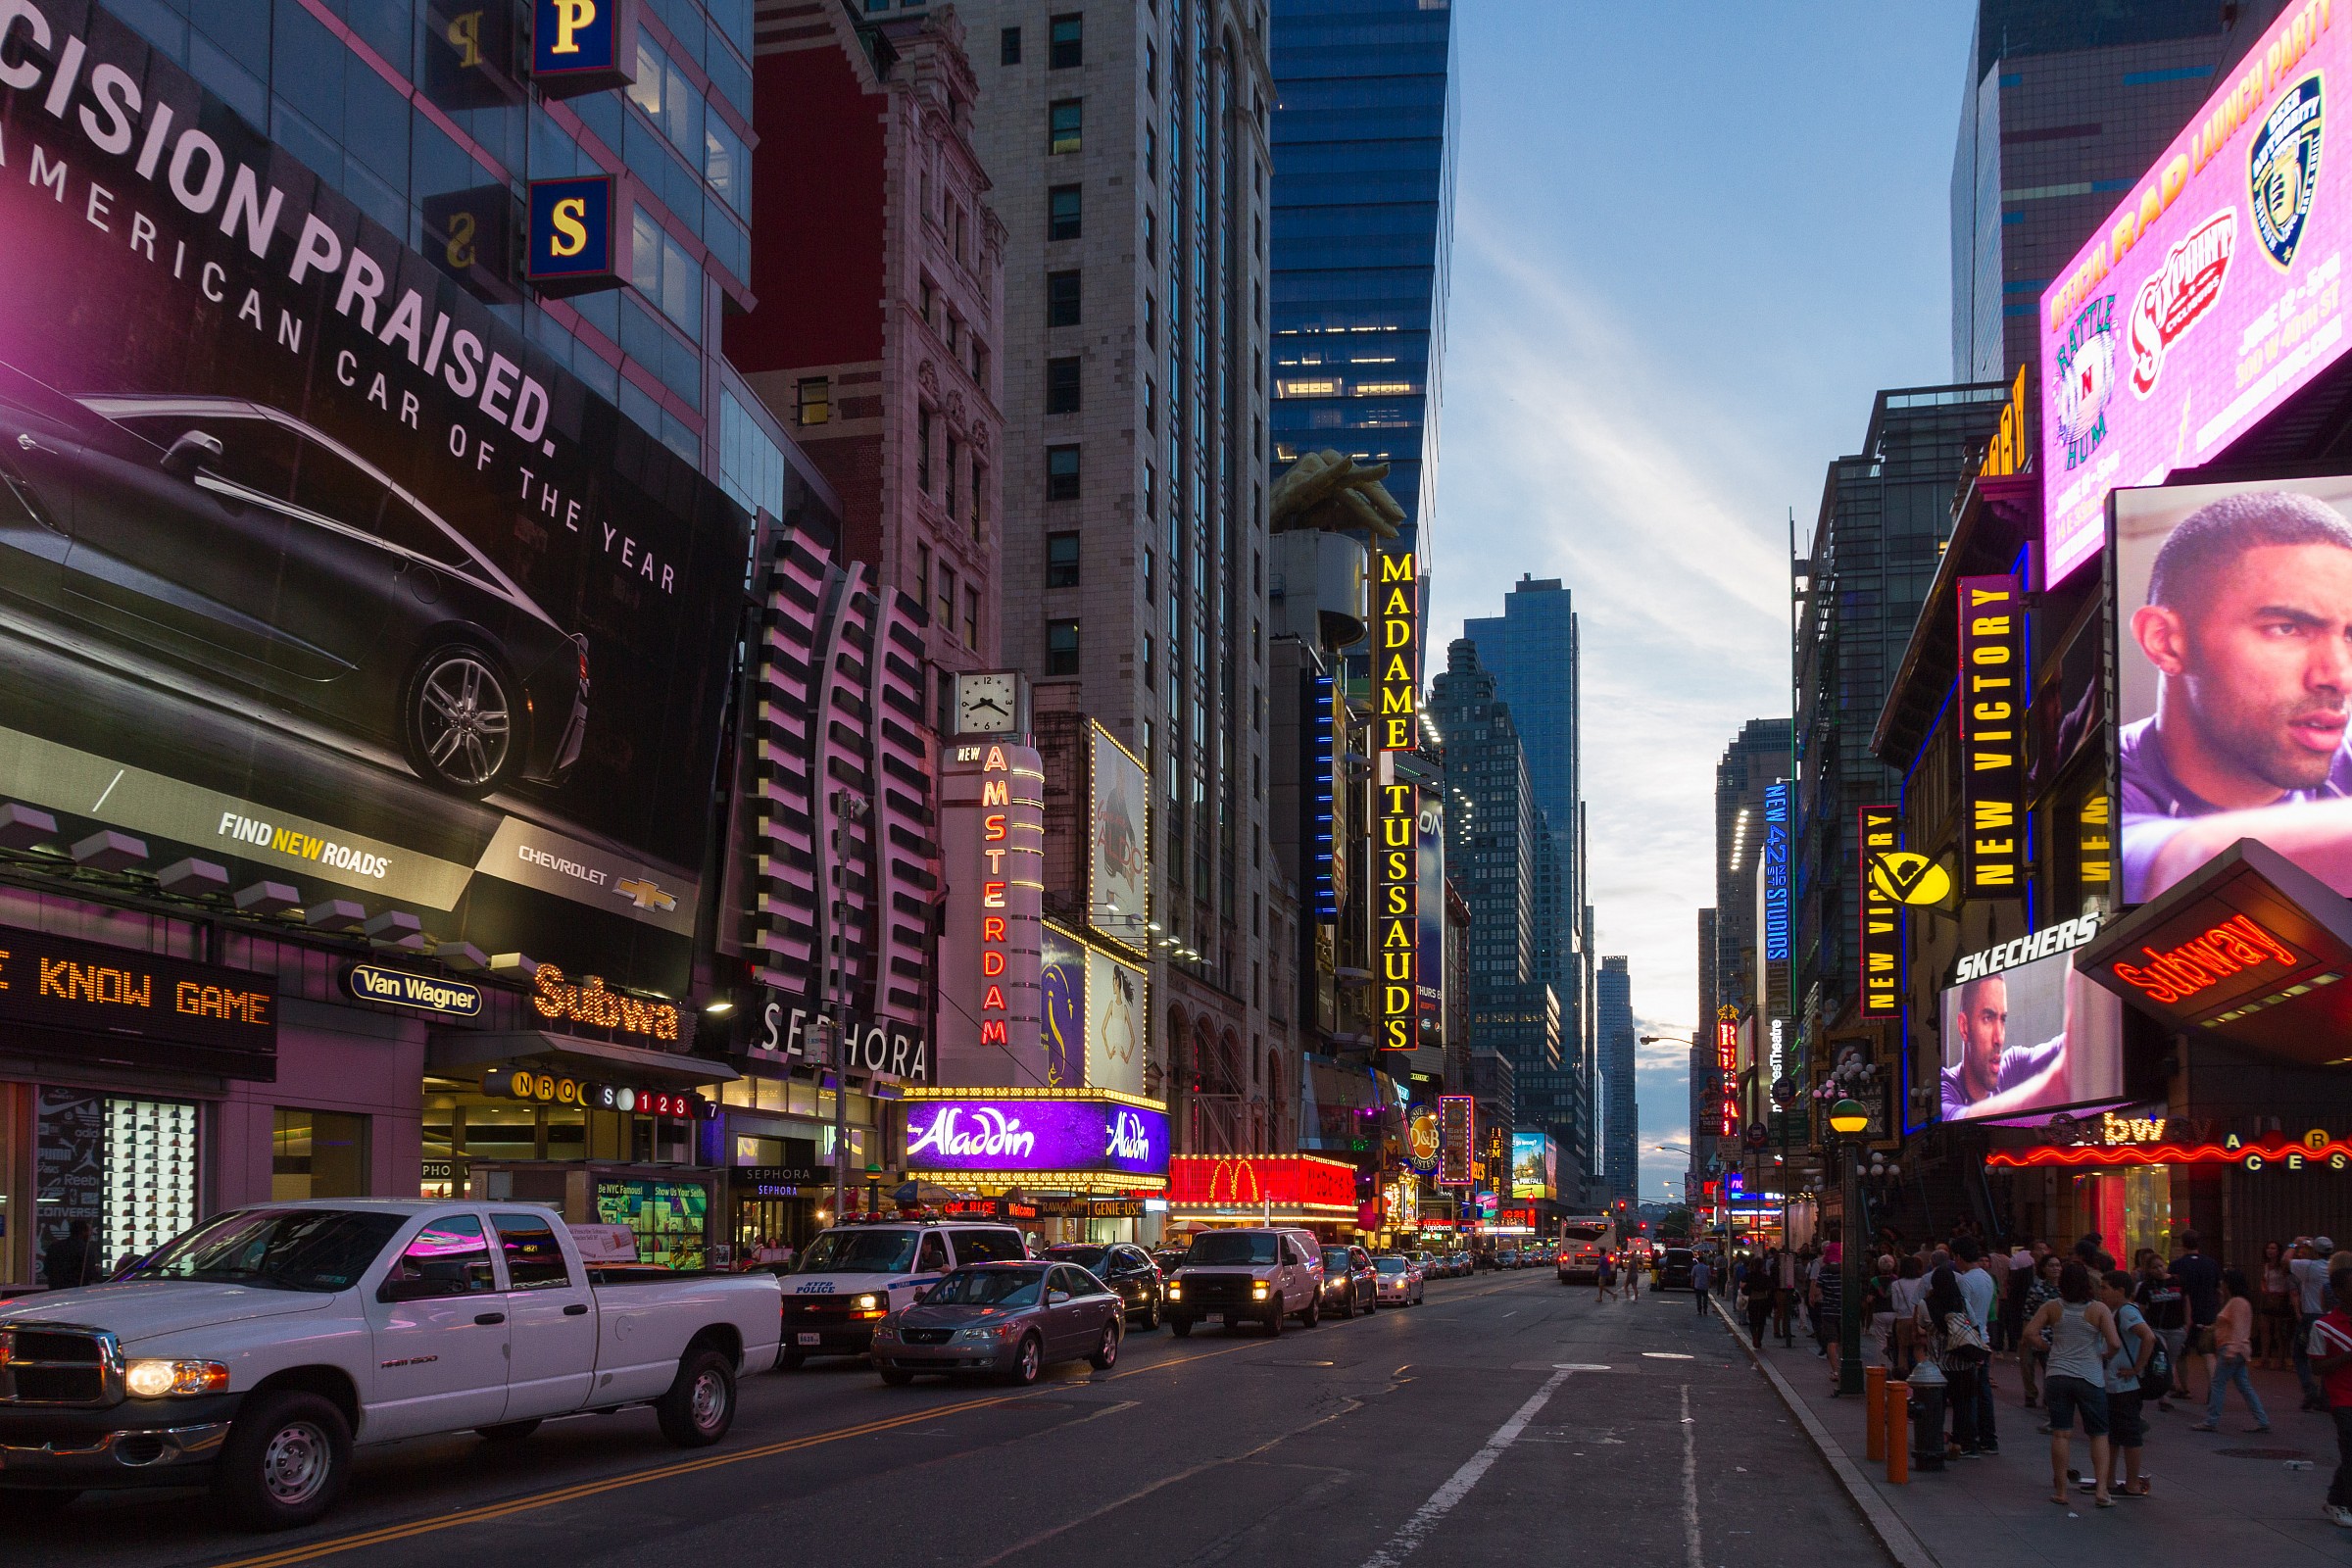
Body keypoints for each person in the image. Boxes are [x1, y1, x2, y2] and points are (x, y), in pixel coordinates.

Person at [2119, 488, 2352, 902]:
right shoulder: (2106, 793)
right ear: (2166, 642)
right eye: (2286, 628)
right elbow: (2191, 864)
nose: (2339, 677)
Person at [2024, 1260, 2122, 1507]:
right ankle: (2101, 1490)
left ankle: (2061, 1492)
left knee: (2061, 1433)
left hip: (2057, 1374)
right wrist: (2102, 1355)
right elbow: (2115, 1344)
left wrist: (2048, 1348)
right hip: (2089, 1376)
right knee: (2098, 1434)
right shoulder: (2099, 1309)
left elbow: (2029, 1333)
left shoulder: (2052, 1307)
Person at [1940, 972, 2069, 1120]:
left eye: (2002, 1019)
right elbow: (1956, 1119)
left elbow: (2061, 1046)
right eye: (1988, 1018)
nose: (1999, 1038)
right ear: (1964, 1027)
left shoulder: (2012, 1067)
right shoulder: (1945, 1087)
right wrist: (2052, 1086)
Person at [2097, 1269, 2155, 1498]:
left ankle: (2131, 1484)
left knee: (2129, 1434)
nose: (2101, 1292)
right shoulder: (2116, 1312)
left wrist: (2137, 1368)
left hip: (2125, 1385)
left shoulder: (2127, 1312)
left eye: (2104, 1288)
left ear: (2120, 1291)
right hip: (2115, 1383)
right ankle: (2109, 1479)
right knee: (2113, 1434)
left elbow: (2148, 1336)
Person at [1920, 1265, 1989, 1457]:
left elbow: (1921, 1327)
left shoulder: (1926, 1304)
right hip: (1962, 1363)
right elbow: (1974, 1327)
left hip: (1938, 1365)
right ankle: (1962, 1443)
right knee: (1964, 1405)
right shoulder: (1963, 1303)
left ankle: (1935, 1440)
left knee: (1937, 1407)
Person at [2192, 1267, 2272, 1433]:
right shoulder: (2240, 1302)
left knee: (2218, 1383)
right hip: (2238, 1349)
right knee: (2243, 1385)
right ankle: (2262, 1419)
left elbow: (2238, 1329)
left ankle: (2211, 1420)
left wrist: (2231, 1350)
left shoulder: (2236, 1303)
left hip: (2231, 1348)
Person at [2307, 1262, 2352, 1530]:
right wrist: (2348, 1357)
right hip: (2342, 1397)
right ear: (2338, 1292)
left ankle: (2336, 1499)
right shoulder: (2324, 1327)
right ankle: (2344, 1503)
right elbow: (2317, 1366)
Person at [1953, 1236, 2001, 1453]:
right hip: (1983, 1336)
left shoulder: (1964, 1281)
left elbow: (1964, 1312)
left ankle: (1969, 1440)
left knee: (1968, 1394)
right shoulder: (1986, 1277)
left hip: (1969, 1339)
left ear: (1960, 1257)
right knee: (1983, 1393)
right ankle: (1988, 1438)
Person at [2172, 1230, 2223, 1404]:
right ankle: (2213, 1390)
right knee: (2208, 1353)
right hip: (2207, 1312)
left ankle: (2184, 1388)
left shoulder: (2176, 1266)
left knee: (2181, 1354)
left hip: (2184, 1314)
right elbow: (2218, 1288)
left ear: (2182, 1244)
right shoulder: (2211, 1264)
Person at [2134, 1250, 2188, 1411]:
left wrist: (2187, 1324)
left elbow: (2186, 1303)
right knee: (2162, 1357)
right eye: (2154, 1267)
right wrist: (2142, 1327)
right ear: (2148, 1270)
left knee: (2171, 1360)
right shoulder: (2147, 1286)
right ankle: (2163, 1396)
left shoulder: (2177, 1282)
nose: (2159, 1269)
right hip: (2156, 1328)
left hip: (2176, 1328)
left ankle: (2164, 1389)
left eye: (2160, 1265)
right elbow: (2141, 1308)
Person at [2293, 1237, 2338, 1412]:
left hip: (2311, 1316)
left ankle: (2310, 1389)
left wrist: (2296, 1243)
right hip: (2331, 1316)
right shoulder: (2335, 1267)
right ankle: (2326, 1396)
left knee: (2300, 1354)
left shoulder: (2309, 1266)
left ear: (2315, 1250)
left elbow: (2286, 1260)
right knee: (2328, 1357)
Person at [2021, 1252, 2063, 1407]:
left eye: (2058, 1265)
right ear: (2044, 1269)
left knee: (2050, 1367)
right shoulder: (2036, 1289)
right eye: (2051, 1265)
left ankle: (2049, 1396)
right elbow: (2028, 1312)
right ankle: (2030, 1394)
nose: (2055, 1269)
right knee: (2028, 1364)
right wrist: (2026, 1334)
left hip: (2055, 1335)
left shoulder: (2065, 1289)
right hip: (2036, 1332)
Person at [1889, 1255, 1928, 1379]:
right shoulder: (1922, 1282)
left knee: (1903, 1350)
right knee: (1919, 1349)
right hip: (1918, 1319)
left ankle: (1902, 1379)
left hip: (1902, 1319)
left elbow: (1895, 1306)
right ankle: (1922, 1376)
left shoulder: (1896, 1284)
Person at [2261, 1240, 2297, 1369]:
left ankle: (2281, 1360)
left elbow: (2286, 1280)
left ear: (2278, 1251)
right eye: (2268, 1248)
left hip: (2280, 1298)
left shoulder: (2282, 1265)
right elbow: (2264, 1280)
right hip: (2268, 1298)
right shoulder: (2266, 1265)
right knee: (2265, 1329)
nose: (2270, 1251)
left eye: (2273, 1248)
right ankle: (2265, 1359)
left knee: (2279, 1331)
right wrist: (2264, 1288)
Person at [41, 1219, 100, 1290]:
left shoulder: (55, 1246)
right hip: (76, 1291)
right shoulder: (85, 1249)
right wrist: (97, 1271)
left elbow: (46, 1270)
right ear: (83, 1232)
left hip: (56, 1290)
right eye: (89, 1231)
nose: (90, 1234)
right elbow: (89, 1274)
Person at [1744, 1256, 1776, 1344]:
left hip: (1753, 1299)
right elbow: (1771, 1287)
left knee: (1752, 1320)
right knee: (1761, 1321)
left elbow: (1744, 1287)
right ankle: (1759, 1338)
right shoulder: (1765, 1277)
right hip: (1763, 1299)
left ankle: (1754, 1334)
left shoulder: (1749, 1276)